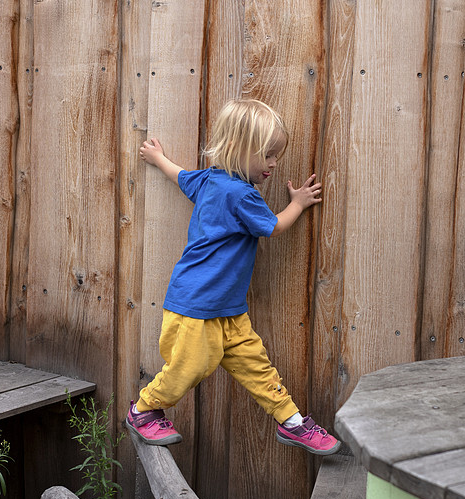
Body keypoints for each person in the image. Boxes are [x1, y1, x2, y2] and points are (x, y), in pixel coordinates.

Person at [125, 98, 340, 455]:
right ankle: (142, 409)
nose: (274, 163)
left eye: (276, 155)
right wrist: (298, 203)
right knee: (187, 369)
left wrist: (158, 158)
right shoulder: (242, 195)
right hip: (198, 305)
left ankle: (293, 422)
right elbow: (273, 226)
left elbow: (181, 178)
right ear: (241, 149)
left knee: (259, 368)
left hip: (227, 308)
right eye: (268, 155)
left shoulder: (210, 180)